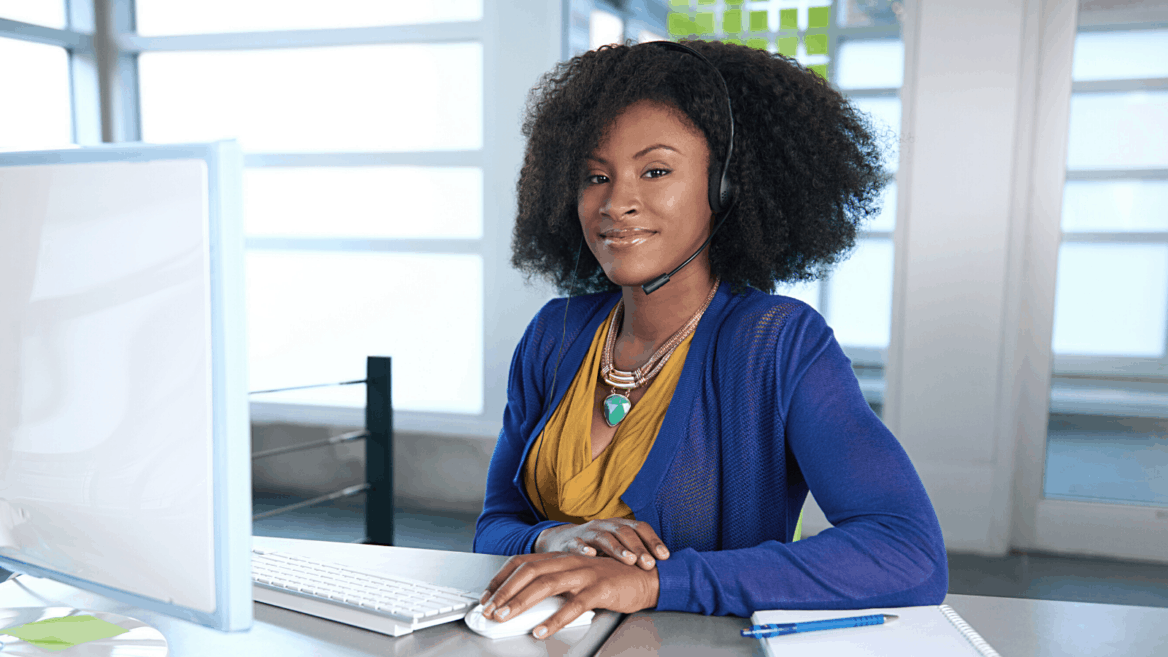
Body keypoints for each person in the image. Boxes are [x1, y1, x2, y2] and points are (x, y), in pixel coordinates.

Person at [472, 39, 947, 640]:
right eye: (597, 176)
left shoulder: (777, 344)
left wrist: (654, 583)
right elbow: (494, 526)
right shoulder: (555, 333)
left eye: (656, 170)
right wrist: (550, 536)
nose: (617, 203)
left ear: (724, 187)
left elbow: (908, 553)